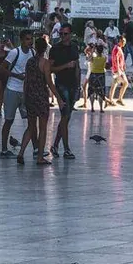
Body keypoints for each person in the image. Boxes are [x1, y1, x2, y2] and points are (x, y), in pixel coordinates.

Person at [16, 36, 54, 166]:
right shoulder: (45, 63)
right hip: (41, 97)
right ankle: (40, 157)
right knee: (43, 128)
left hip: (30, 96)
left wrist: (25, 95)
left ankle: (21, 152)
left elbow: (26, 80)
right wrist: (58, 98)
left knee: (31, 127)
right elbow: (49, 82)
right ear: (45, 49)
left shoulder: (30, 62)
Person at [0, 30, 33, 158]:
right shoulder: (14, 53)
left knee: (31, 121)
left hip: (26, 91)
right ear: (22, 40)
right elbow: (2, 68)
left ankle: (36, 149)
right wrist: (16, 76)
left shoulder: (33, 53)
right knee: (9, 120)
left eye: (31, 39)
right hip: (12, 89)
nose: (30, 42)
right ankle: (4, 149)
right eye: (27, 39)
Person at [48, 22, 80, 160]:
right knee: (65, 116)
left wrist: (78, 86)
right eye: (61, 34)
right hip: (61, 84)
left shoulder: (74, 47)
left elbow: (77, 67)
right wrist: (65, 66)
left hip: (73, 85)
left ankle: (55, 145)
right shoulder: (55, 48)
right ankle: (66, 149)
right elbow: (50, 69)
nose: (63, 36)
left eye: (65, 34)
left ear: (70, 34)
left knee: (66, 117)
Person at [108, 36, 129, 106]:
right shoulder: (117, 48)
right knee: (125, 83)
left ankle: (112, 100)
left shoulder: (119, 48)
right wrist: (118, 70)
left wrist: (123, 65)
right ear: (119, 41)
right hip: (118, 70)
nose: (124, 43)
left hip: (119, 69)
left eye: (124, 41)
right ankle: (118, 99)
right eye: (123, 41)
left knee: (114, 84)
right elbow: (115, 59)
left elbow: (120, 59)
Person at [86, 43, 108, 110]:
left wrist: (93, 50)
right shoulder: (104, 58)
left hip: (93, 75)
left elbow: (89, 59)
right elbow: (105, 64)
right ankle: (101, 108)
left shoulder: (93, 59)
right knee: (101, 92)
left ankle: (92, 107)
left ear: (96, 51)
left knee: (92, 91)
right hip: (101, 75)